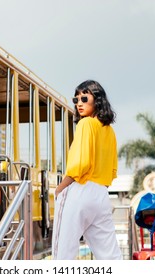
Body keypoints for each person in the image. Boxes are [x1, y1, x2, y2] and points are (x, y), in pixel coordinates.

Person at [52, 80, 122, 260]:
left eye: (84, 98)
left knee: (63, 253)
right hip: (101, 194)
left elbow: (79, 165)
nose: (79, 103)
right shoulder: (109, 131)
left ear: (97, 99)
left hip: (80, 190)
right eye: (76, 100)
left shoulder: (85, 124)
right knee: (110, 255)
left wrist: (60, 189)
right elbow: (113, 169)